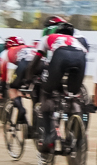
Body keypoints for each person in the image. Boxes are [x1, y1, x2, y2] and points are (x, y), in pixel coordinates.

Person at [37, 17, 89, 153]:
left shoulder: (49, 35)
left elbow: (43, 61)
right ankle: (78, 122)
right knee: (73, 93)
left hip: (60, 57)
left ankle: (51, 134)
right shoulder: (77, 37)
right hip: (80, 56)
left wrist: (34, 76)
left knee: (47, 91)